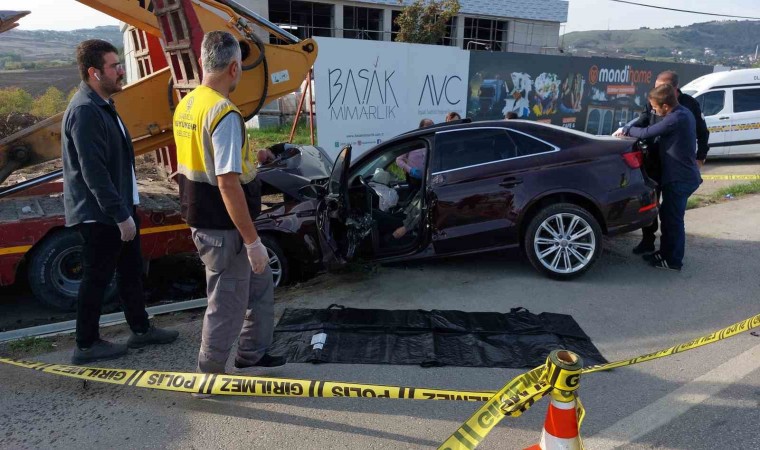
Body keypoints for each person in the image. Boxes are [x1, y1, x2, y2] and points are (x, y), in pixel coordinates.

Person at [172, 31, 285, 381]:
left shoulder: (189, 103)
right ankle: (208, 377)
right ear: (234, 67)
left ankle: (253, 354)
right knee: (227, 305)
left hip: (208, 218)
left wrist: (256, 156)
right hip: (225, 227)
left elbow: (206, 160)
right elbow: (226, 181)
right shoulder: (224, 113)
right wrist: (252, 242)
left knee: (260, 283)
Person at [62, 40, 178, 365]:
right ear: (94, 72)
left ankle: (141, 330)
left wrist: (127, 209)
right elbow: (93, 173)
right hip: (101, 215)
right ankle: (85, 345)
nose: (121, 71)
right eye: (114, 66)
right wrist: (120, 215)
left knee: (130, 271)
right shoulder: (85, 111)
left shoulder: (103, 104)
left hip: (120, 209)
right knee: (96, 278)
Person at [615, 70, 709, 254]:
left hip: (676, 168)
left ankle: (670, 256)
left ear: (674, 89)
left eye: (662, 87)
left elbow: (702, 132)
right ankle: (649, 241)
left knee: (671, 215)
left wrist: (701, 156)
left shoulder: (686, 108)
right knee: (653, 206)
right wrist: (627, 128)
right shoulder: (658, 102)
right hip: (655, 161)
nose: (657, 91)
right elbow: (643, 121)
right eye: (656, 87)